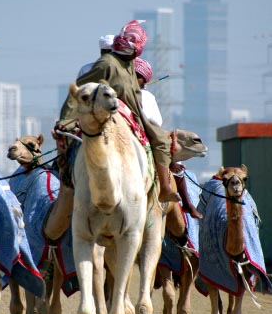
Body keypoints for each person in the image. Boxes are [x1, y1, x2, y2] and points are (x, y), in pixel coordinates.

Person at [59, 19, 180, 204]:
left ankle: (164, 188)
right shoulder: (107, 64)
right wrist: (65, 121)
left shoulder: (129, 63)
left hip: (134, 113)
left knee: (162, 140)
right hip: (112, 112)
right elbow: (78, 90)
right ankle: (66, 183)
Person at [134, 57, 202, 218]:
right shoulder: (123, 92)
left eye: (136, 76)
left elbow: (155, 123)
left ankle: (185, 203)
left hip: (144, 133)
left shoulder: (146, 96)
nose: (132, 78)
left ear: (143, 80)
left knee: (175, 157)